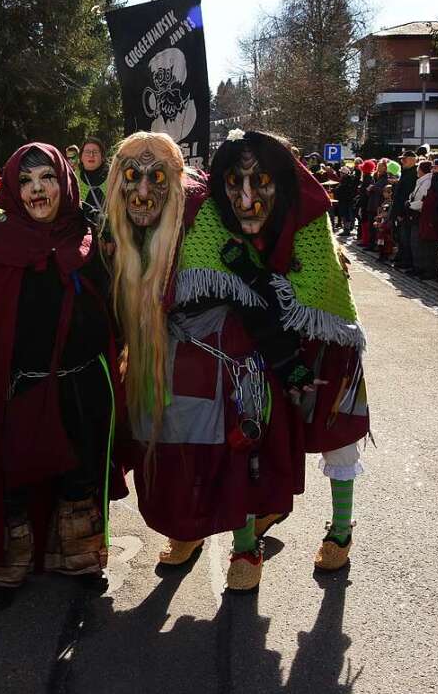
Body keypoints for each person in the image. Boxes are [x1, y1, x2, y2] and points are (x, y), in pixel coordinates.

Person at [146, 129, 369, 591]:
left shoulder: (309, 216)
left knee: (335, 430)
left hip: (319, 334)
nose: (246, 200)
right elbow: (201, 279)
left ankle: (341, 529)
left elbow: (317, 289)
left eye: (260, 183)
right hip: (251, 340)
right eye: (234, 184)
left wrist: (263, 286)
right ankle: (234, 536)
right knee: (239, 432)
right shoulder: (211, 217)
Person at [0, 143, 127, 608]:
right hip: (21, 385)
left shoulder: (88, 237)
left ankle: (78, 558)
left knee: (80, 474)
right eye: (26, 181)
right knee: (14, 477)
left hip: (83, 382)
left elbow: (114, 301)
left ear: (64, 182)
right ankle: (5, 567)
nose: (38, 190)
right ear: (13, 191)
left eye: (47, 178)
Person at [78, 136, 109, 212]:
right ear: (81, 157)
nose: (91, 155)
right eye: (87, 152)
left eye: (95, 152)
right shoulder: (73, 178)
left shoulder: (113, 176)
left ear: (102, 157)